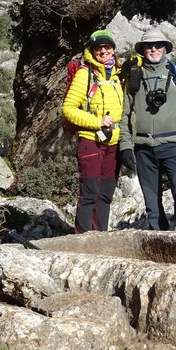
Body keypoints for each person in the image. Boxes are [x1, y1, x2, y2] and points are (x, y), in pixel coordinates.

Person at [118, 29, 176, 231]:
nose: (154, 49)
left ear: (165, 48)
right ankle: (159, 242)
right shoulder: (133, 76)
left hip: (174, 145)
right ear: (142, 49)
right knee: (152, 204)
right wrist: (125, 147)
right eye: (149, 45)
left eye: (158, 45)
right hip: (143, 147)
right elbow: (123, 115)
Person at [62, 29, 124, 233]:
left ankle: (101, 238)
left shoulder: (118, 74)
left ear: (114, 49)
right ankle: (82, 241)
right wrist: (97, 122)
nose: (103, 51)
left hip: (113, 143)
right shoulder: (84, 74)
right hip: (90, 141)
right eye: (99, 47)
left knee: (105, 194)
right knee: (90, 193)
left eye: (107, 47)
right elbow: (68, 109)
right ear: (92, 50)